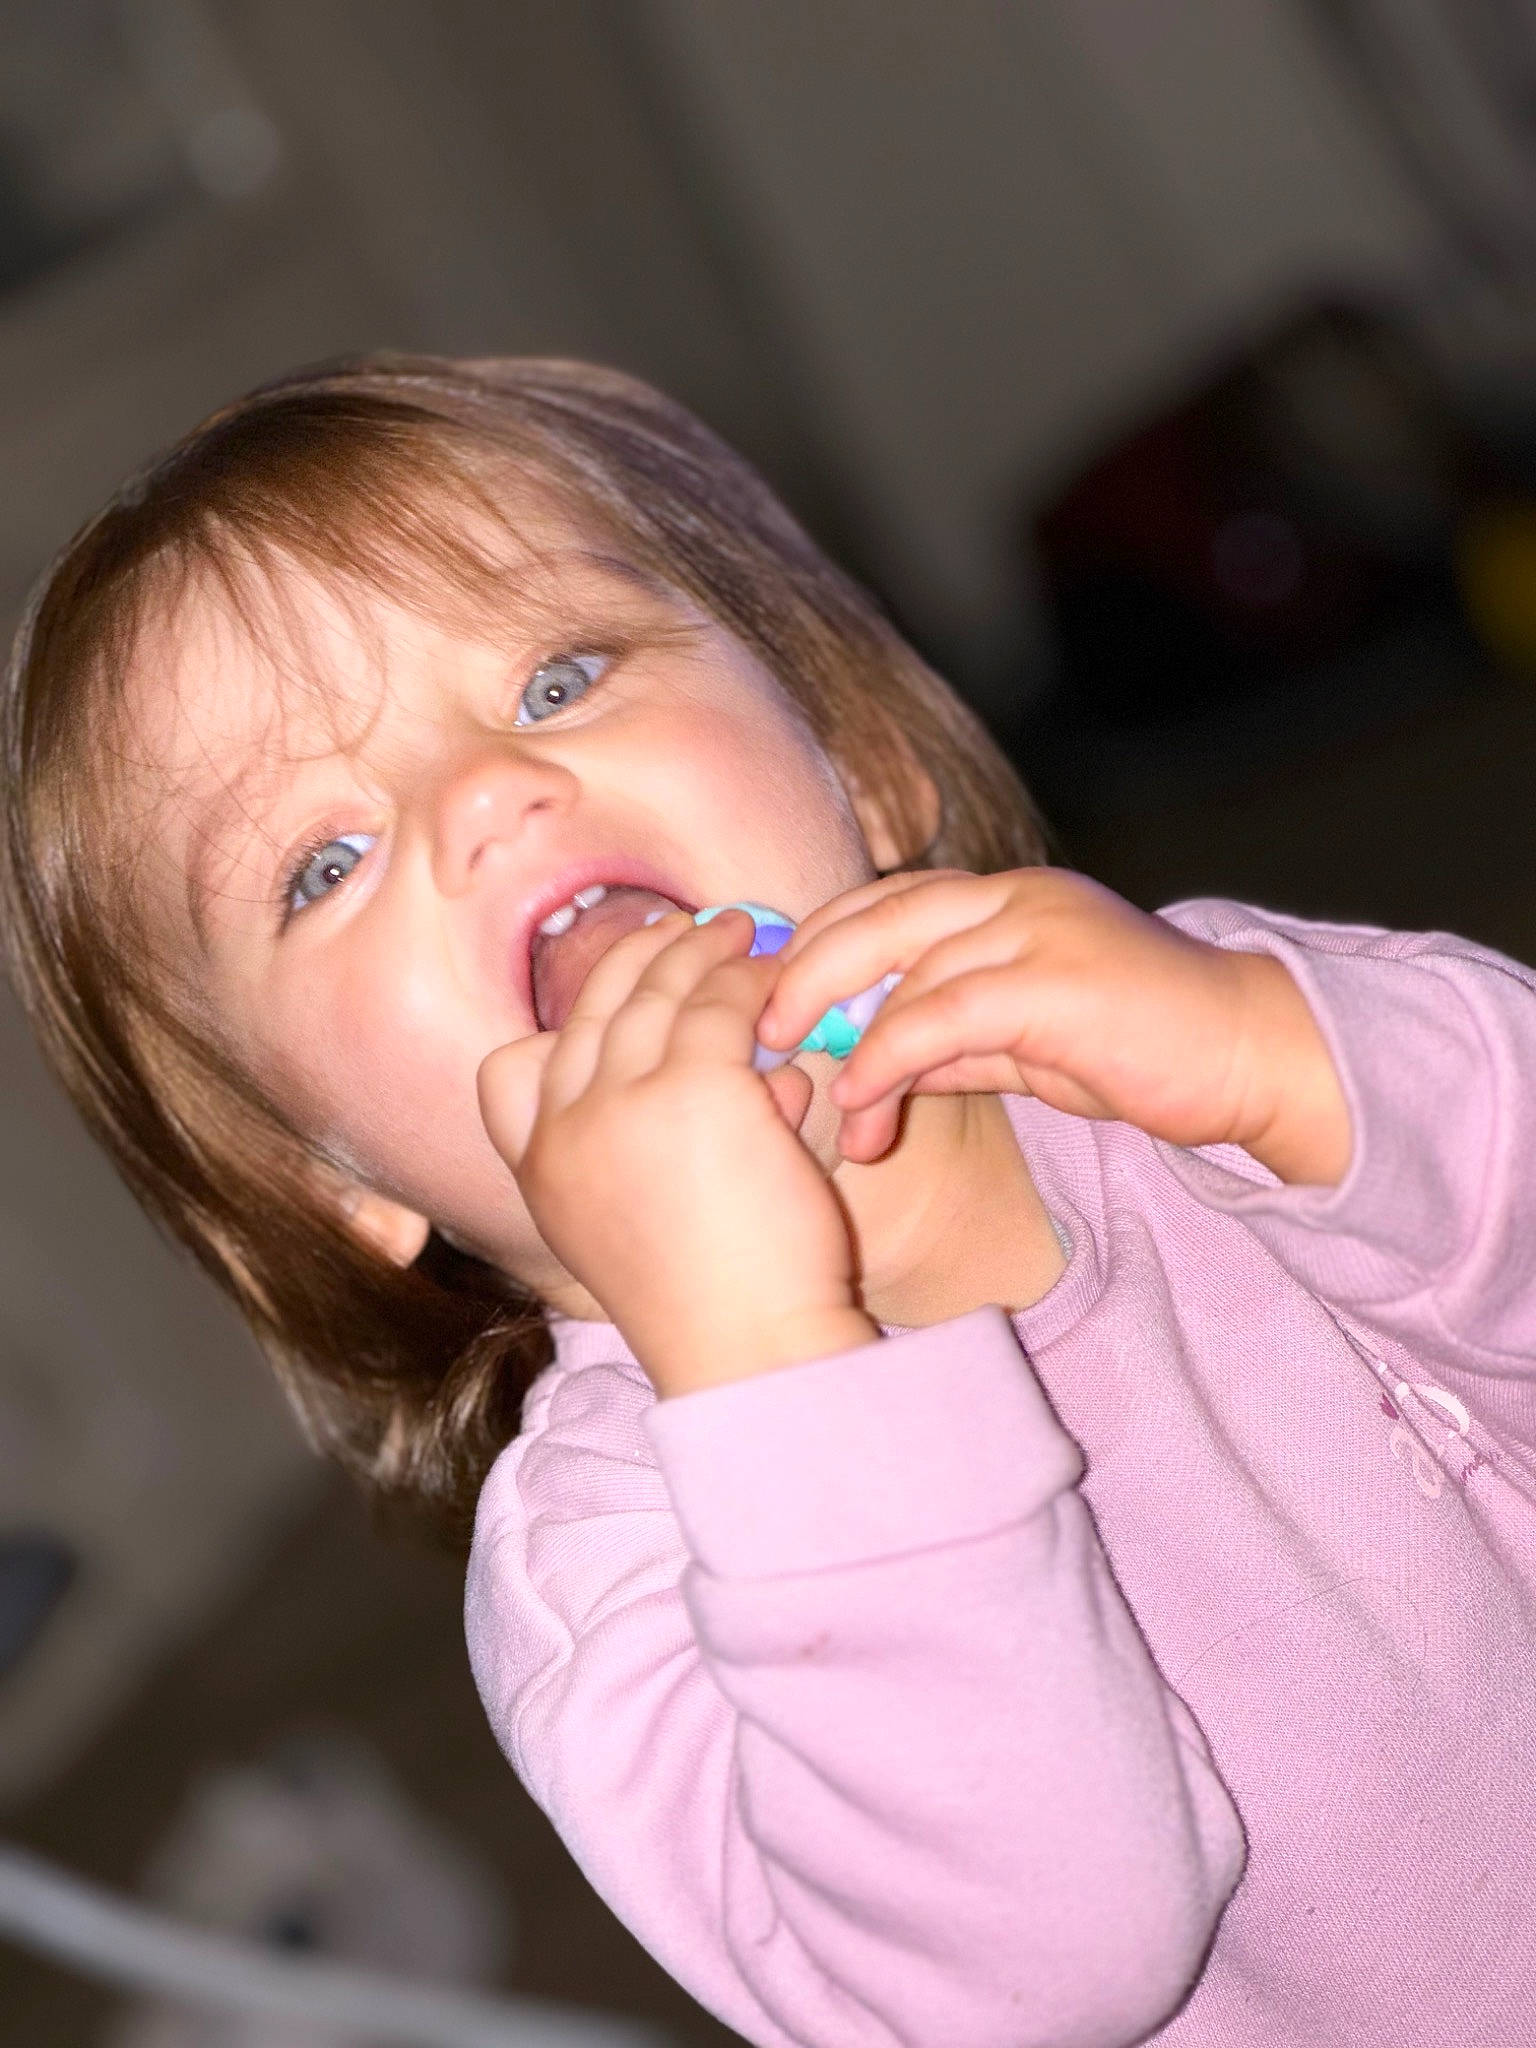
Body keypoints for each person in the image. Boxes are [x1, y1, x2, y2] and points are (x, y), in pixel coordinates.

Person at [4, 353, 1532, 2048]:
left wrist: (1286, 1064)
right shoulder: (609, 1567)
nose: (487, 799)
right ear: (333, 1182)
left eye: (560, 674)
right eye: (323, 862)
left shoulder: (1215, 1043)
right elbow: (1042, 1965)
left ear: (859, 762)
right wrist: (769, 1355)